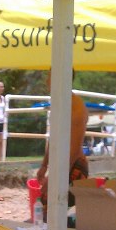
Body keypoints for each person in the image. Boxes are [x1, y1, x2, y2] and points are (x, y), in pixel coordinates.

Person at [36, 71, 88, 219]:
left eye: (50, 77)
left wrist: (54, 176)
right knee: (47, 215)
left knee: (59, 219)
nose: (47, 81)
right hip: (60, 166)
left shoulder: (76, 107)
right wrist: (45, 164)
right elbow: (55, 136)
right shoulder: (59, 103)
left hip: (73, 166)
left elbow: (74, 150)